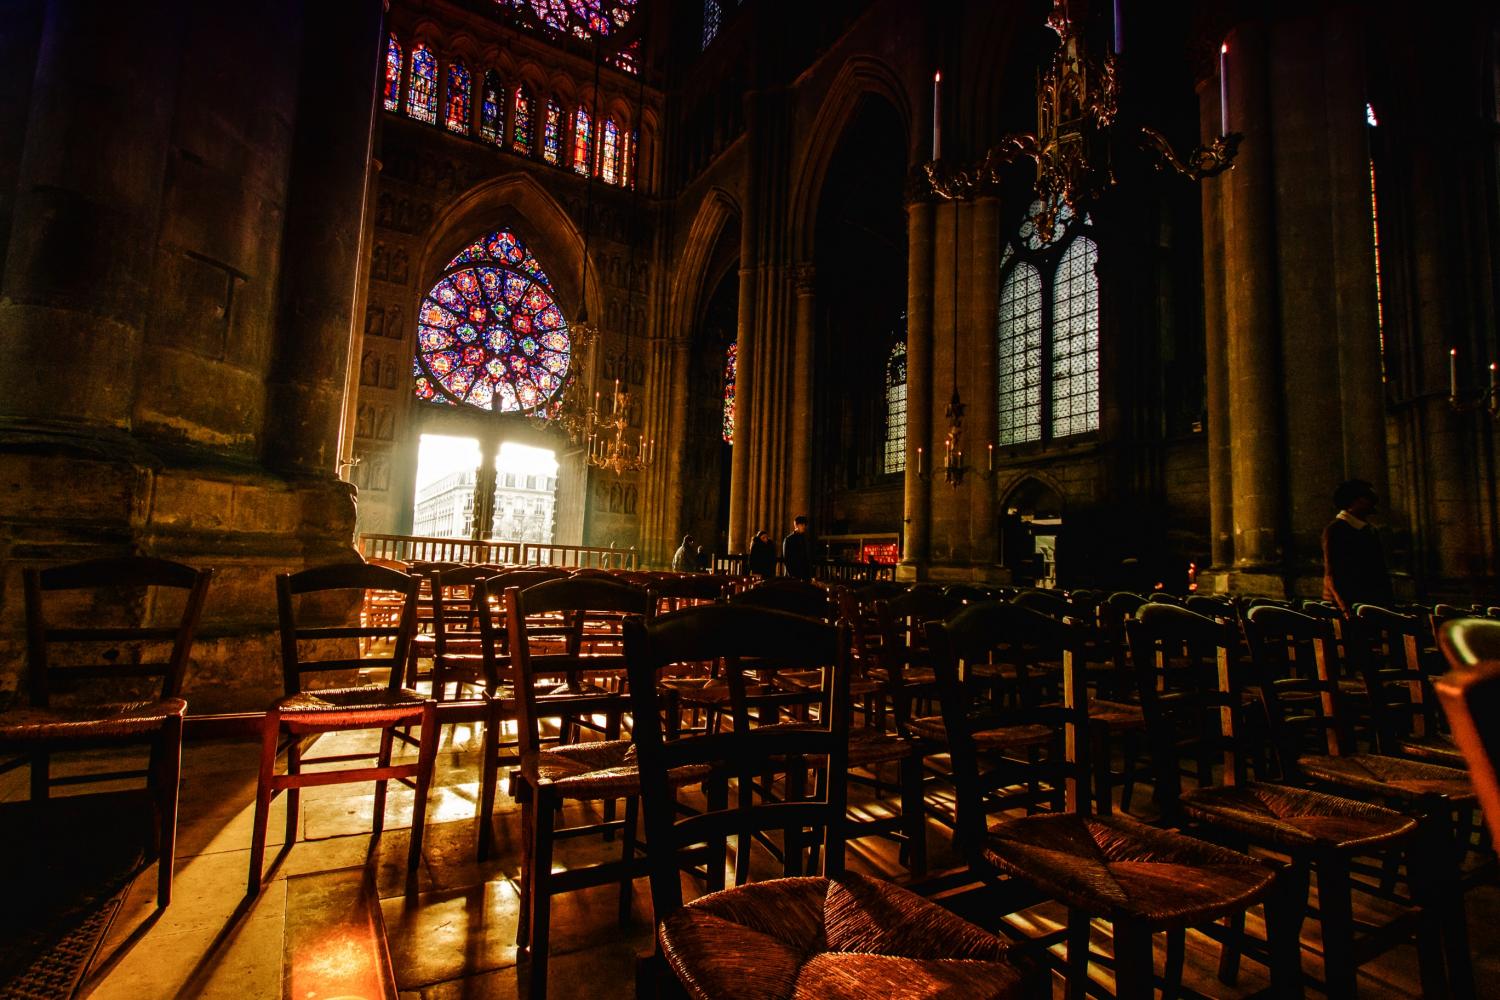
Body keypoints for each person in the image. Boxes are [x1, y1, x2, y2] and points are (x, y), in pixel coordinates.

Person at [1322, 479, 1393, 613]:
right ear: (1353, 501)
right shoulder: (1336, 530)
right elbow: (1332, 573)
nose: (1371, 502)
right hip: (1351, 604)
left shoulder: (1369, 530)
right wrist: (1344, 607)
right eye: (1366, 498)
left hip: (1371, 602)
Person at [782, 515, 813, 581]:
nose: (804, 526)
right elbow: (787, 558)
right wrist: (792, 575)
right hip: (793, 575)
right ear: (796, 525)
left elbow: (807, 556)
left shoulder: (806, 539)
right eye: (802, 524)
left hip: (805, 575)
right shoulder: (789, 539)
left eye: (805, 524)